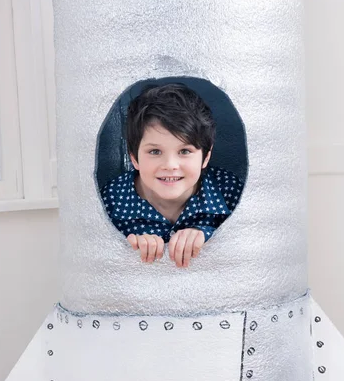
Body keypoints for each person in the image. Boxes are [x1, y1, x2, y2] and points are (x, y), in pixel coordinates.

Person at [102, 83, 244, 268]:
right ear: (134, 158)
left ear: (205, 157)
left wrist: (207, 234)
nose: (170, 165)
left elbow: (249, 244)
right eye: (154, 151)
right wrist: (128, 250)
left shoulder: (228, 191)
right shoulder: (112, 200)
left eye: (184, 151)